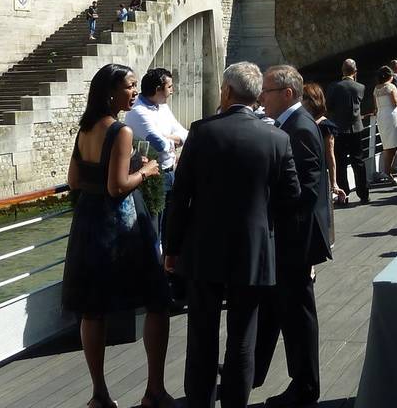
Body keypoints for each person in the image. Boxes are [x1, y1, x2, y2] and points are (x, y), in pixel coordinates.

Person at [164, 62, 299, 408]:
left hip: (204, 248)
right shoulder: (277, 138)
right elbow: (290, 199)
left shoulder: (202, 132)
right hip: (253, 251)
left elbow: (180, 196)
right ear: (256, 97)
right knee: (243, 340)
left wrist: (171, 247)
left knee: (202, 337)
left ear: (225, 91)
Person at [61, 64, 173, 408]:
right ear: (111, 92)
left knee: (92, 310)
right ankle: (154, 391)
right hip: (122, 228)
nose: (135, 91)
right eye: (130, 86)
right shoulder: (120, 131)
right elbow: (117, 187)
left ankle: (100, 395)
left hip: (88, 225)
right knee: (157, 301)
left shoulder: (85, 128)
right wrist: (146, 169)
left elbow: (75, 181)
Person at [255, 66, 332, 408]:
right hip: (289, 237)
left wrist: (266, 201)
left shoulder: (298, 127)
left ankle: (304, 387)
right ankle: (258, 370)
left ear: (286, 93)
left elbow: (306, 186)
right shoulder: (293, 124)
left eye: (267, 91)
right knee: (279, 309)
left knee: (298, 316)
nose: (262, 97)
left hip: (293, 239)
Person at [123, 68, 188, 246]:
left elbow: (186, 134)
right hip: (153, 178)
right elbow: (159, 145)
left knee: (170, 229)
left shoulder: (163, 108)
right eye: (170, 86)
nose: (172, 90)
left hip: (170, 174)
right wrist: (172, 140)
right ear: (159, 89)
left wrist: (170, 140)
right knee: (153, 230)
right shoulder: (138, 112)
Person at [326, 59, 368, 204]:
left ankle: (344, 195)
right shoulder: (360, 87)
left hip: (339, 129)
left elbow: (329, 106)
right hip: (356, 128)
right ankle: (364, 194)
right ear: (355, 72)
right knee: (359, 161)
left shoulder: (333, 87)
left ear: (342, 71)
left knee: (340, 162)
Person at [301, 83, 347, 204]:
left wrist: (334, 183)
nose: (300, 101)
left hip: (320, 174)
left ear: (312, 101)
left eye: (304, 98)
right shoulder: (300, 122)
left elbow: (330, 155)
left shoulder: (325, 126)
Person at [373, 66, 397, 185]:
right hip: (391, 115)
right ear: (389, 76)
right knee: (393, 145)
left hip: (381, 116)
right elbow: (395, 102)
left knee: (387, 145)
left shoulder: (376, 89)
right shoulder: (391, 87)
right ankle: (387, 171)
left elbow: (375, 107)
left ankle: (388, 171)